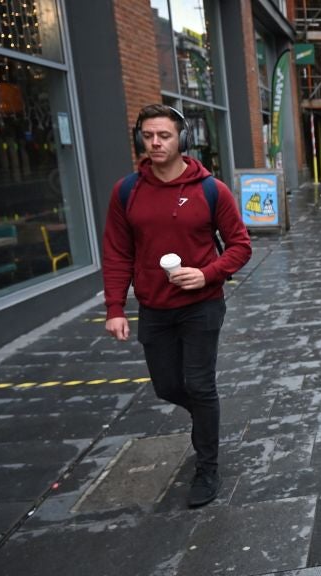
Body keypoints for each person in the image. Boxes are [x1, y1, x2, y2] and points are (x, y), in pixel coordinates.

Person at [102, 104, 251, 508]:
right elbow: (116, 252)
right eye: (148, 136)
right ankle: (208, 417)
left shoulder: (210, 189)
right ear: (139, 140)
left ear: (181, 139)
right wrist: (115, 307)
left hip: (202, 304)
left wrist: (208, 273)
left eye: (164, 136)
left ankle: (208, 467)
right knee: (168, 386)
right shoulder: (127, 192)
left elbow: (240, 246)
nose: (155, 143)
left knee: (200, 384)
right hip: (153, 307)